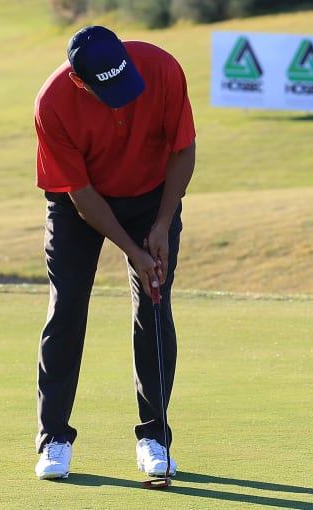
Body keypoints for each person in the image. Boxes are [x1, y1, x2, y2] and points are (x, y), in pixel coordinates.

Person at [32, 25, 196, 480]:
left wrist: (161, 225)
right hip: (77, 202)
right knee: (67, 307)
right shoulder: (53, 103)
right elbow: (80, 194)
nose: (122, 99)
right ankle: (54, 439)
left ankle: (155, 438)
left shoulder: (162, 68)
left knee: (154, 305)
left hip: (152, 196)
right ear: (79, 81)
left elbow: (184, 150)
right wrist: (131, 250)